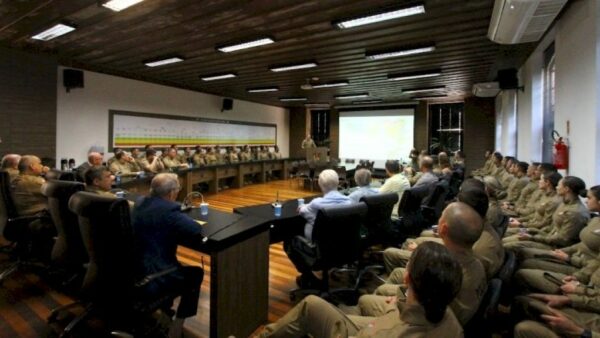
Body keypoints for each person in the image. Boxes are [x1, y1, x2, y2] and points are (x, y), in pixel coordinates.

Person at [259, 241, 464, 338]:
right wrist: (402, 301)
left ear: (407, 277)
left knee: (310, 306)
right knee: (365, 301)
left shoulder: (387, 334)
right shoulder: (451, 319)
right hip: (400, 319)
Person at [358, 202, 487, 327]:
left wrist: (399, 304)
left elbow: (425, 312)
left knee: (369, 297)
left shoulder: (447, 272)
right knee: (397, 273)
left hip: (427, 324)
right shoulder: (477, 265)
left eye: (442, 215)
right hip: (443, 319)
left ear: (443, 228)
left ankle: (370, 322)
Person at [132, 173, 205, 338]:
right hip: (151, 277)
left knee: (173, 264)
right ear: (172, 193)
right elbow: (195, 229)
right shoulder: (169, 210)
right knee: (195, 274)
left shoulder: (139, 202)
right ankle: (176, 328)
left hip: (134, 269)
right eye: (178, 189)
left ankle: (165, 314)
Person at [284, 169, 351, 288]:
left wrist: (303, 206)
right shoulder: (349, 202)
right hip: (343, 248)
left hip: (320, 250)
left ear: (320, 184)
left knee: (288, 242)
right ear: (338, 183)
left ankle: (309, 276)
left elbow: (301, 211)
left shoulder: (317, 204)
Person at [506, 176, 589, 251]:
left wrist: (532, 237)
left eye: (559, 185)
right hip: (545, 236)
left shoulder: (575, 212)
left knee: (510, 245)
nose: (556, 187)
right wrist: (526, 229)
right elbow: (551, 227)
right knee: (508, 234)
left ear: (567, 189)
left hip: (555, 246)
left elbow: (563, 239)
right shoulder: (565, 203)